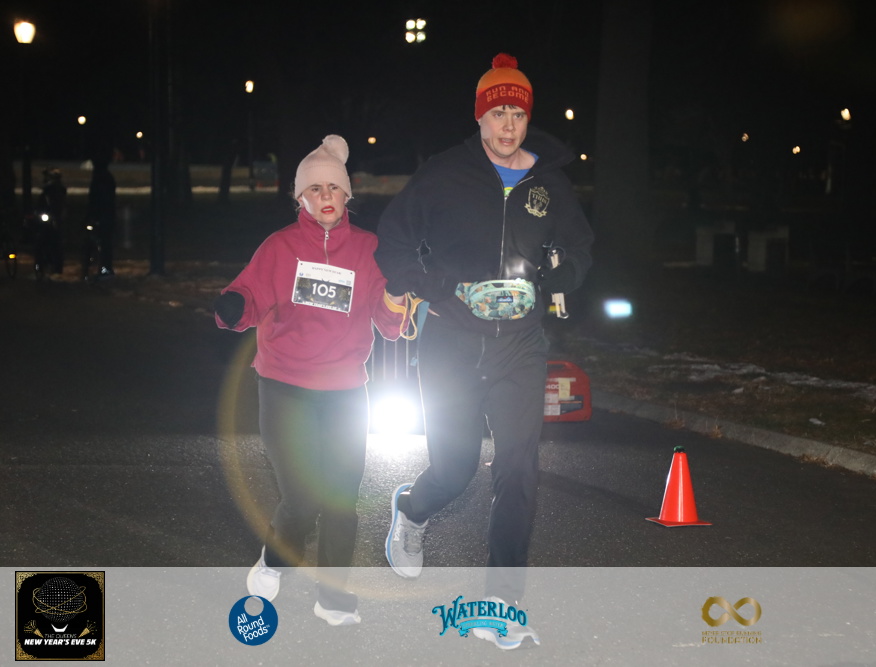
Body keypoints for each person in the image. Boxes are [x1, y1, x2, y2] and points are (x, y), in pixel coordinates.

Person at [374, 53, 594, 649]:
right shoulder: (443, 174)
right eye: (497, 114)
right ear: (479, 117)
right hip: (450, 340)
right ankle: (412, 508)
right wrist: (442, 288)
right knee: (456, 468)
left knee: (518, 466)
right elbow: (392, 244)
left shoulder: (549, 183)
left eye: (517, 115)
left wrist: (553, 278)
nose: (507, 126)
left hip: (519, 343)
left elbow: (580, 250)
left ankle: (502, 603)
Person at [214, 135, 408, 626]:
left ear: (347, 196)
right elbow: (249, 295)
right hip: (286, 387)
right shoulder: (279, 247)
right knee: (303, 498)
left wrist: (396, 299)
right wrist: (234, 306)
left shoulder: (368, 250)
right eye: (315, 188)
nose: (325, 196)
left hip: (346, 391)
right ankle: (276, 558)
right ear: (300, 197)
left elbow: (390, 323)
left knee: (341, 502)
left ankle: (335, 601)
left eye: (334, 188)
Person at [84, 154, 117, 280]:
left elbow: (96, 199)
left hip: (103, 216)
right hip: (104, 215)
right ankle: (102, 266)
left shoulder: (101, 179)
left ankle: (105, 267)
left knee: (104, 242)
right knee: (103, 241)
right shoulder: (105, 178)